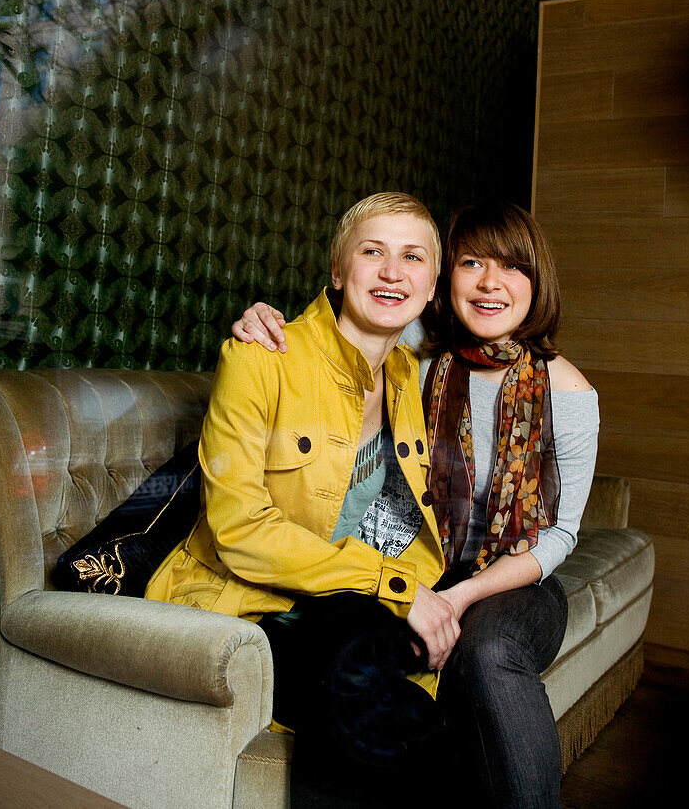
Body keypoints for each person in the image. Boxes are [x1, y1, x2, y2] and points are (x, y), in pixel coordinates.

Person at [231, 199, 599, 809]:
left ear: (537, 283)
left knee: (486, 650)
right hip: (418, 562)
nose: (489, 284)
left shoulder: (570, 392)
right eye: (472, 263)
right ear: (441, 283)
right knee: (358, 656)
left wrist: (455, 598)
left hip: (518, 581)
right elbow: (336, 334)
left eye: (511, 268)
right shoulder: (416, 356)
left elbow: (559, 537)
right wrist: (265, 324)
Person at [145, 192, 458, 809]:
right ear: (338, 273)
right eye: (373, 252)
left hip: (345, 606)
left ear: (430, 291)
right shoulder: (262, 356)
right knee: (360, 673)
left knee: (403, 681)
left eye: (413, 258)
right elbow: (239, 530)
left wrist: (420, 594)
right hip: (247, 604)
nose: (393, 271)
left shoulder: (410, 378)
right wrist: (393, 587)